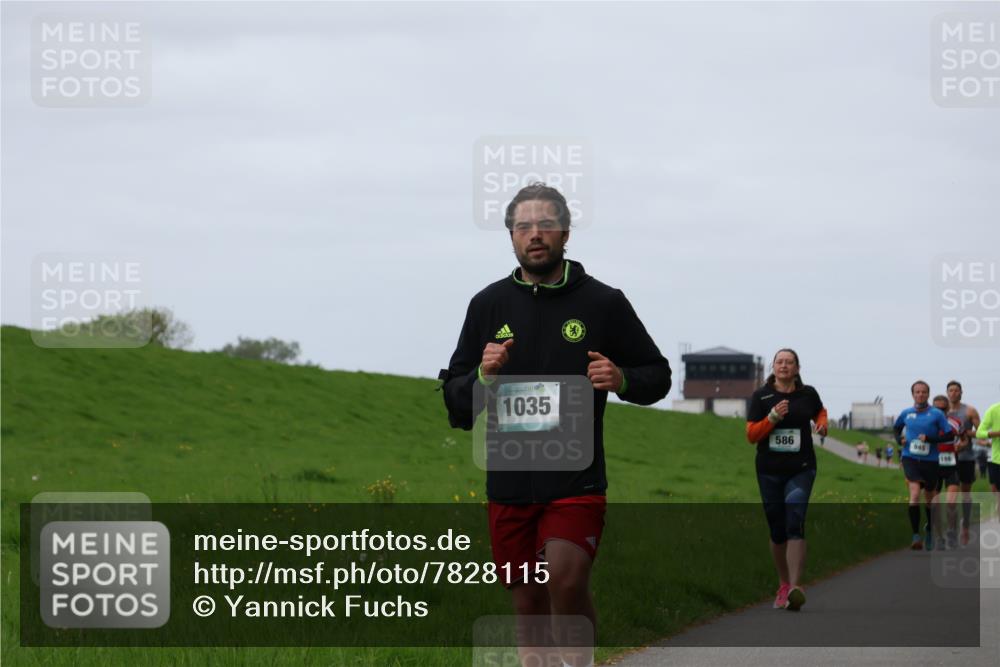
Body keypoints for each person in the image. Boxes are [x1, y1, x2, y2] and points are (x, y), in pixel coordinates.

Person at [440, 183, 671, 667]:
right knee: (527, 601)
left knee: (564, 579)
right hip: (509, 482)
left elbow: (659, 375)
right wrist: (483, 377)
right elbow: (458, 404)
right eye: (523, 226)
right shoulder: (487, 306)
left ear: (565, 233)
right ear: (510, 237)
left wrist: (622, 377)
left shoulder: (603, 303)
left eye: (546, 224)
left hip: (575, 478)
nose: (535, 234)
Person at [746, 349, 827, 612]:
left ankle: (795, 587)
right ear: (773, 366)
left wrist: (822, 424)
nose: (784, 366)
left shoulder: (808, 394)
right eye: (779, 362)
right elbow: (751, 435)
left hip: (801, 468)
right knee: (777, 530)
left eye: (789, 362)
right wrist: (772, 418)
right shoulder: (761, 396)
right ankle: (783, 583)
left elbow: (820, 411)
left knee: (795, 520)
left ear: (797, 368)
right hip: (769, 469)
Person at [893, 381, 955, 550]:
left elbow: (949, 435)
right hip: (910, 457)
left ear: (928, 394)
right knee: (914, 493)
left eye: (923, 392)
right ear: (912, 394)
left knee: (929, 498)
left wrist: (930, 439)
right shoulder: (906, 413)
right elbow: (896, 429)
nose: (920, 395)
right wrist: (900, 440)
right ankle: (915, 536)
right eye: (917, 392)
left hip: (931, 461)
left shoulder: (936, 414)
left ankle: (929, 530)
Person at [947, 381, 982, 546]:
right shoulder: (942, 411)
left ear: (961, 393)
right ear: (947, 393)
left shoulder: (969, 411)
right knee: (951, 498)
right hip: (947, 458)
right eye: (951, 390)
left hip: (966, 457)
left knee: (965, 495)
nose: (953, 393)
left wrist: (967, 432)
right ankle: (952, 530)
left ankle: (966, 525)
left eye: (956, 390)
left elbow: (981, 432)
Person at [932, 395, 962, 550]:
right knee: (935, 504)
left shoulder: (955, 423)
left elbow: (964, 439)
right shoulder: (928, 423)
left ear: (948, 408)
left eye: (943, 408)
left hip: (951, 465)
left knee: (951, 502)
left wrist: (961, 446)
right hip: (933, 467)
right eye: (936, 408)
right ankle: (939, 537)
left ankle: (951, 531)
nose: (940, 411)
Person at [976, 402, 1000, 522]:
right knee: (994, 488)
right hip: (994, 458)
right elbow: (979, 435)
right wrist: (993, 437)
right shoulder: (994, 411)